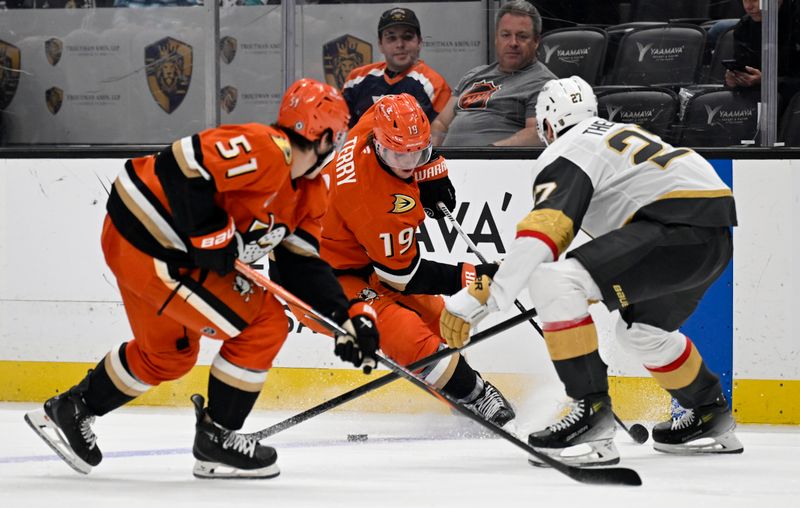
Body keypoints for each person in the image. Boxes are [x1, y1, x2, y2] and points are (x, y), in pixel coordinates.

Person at [24, 78, 381, 479]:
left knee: (168, 355)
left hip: (146, 247)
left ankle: (72, 408)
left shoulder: (311, 193)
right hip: (154, 241)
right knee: (266, 324)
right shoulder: (267, 149)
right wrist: (211, 235)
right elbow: (181, 165)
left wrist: (347, 316)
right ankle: (217, 438)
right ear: (324, 137)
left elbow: (302, 266)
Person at [440, 76, 743, 466]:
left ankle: (591, 416)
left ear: (548, 124)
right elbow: (565, 244)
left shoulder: (568, 148)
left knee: (554, 281)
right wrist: (496, 282)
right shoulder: (615, 135)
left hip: (672, 227)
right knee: (641, 332)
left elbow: (546, 231)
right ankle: (709, 412)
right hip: (711, 236)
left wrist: (487, 298)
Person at [312, 93, 515, 427]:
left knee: (440, 319)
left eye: (416, 153)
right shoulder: (377, 203)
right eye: (395, 155)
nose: (406, 165)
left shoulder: (377, 122)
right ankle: (477, 395)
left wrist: (431, 171)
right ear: (378, 145)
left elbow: (394, 112)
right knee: (405, 334)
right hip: (322, 277)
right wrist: (473, 275)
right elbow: (403, 278)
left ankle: (456, 392)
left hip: (356, 255)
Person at [431, 0, 555, 147]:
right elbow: (441, 123)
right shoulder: (474, 75)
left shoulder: (545, 84)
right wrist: (430, 156)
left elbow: (538, 134)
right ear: (496, 38)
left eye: (522, 36)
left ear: (536, 41)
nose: (513, 43)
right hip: (449, 164)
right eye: (506, 35)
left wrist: (489, 153)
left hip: (493, 165)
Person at [341, 7, 451, 128]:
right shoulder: (356, 79)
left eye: (407, 37)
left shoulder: (435, 86)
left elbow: (438, 136)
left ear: (419, 42)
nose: (400, 45)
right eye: (391, 38)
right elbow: (342, 131)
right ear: (380, 44)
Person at [724, 0, 800, 103]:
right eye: (745, 0)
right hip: (760, 102)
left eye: (755, 0)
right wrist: (734, 80)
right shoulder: (744, 27)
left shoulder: (795, 19)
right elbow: (744, 69)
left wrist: (767, 81)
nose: (748, 7)